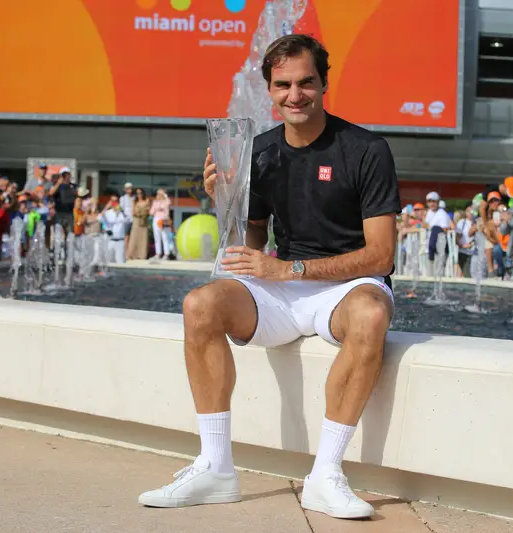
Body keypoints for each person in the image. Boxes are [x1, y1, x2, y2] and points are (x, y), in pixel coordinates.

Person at [138, 34, 400, 519]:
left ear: (324, 83)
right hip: (282, 288)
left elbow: (381, 256)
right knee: (201, 304)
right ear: (268, 87)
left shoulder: (366, 149)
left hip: (344, 288)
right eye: (282, 85)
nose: (294, 95)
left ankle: (325, 475)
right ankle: (216, 468)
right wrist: (225, 200)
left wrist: (290, 268)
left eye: (306, 83)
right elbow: (250, 246)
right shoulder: (258, 152)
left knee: (370, 313)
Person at [127, 188, 150, 260]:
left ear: (143, 193)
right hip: (136, 221)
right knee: (134, 237)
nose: (139, 195)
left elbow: (148, 211)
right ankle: (132, 255)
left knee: (143, 238)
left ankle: (142, 255)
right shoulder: (134, 201)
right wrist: (138, 213)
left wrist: (144, 213)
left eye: (140, 193)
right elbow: (133, 212)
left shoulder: (147, 200)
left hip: (144, 221)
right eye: (137, 193)